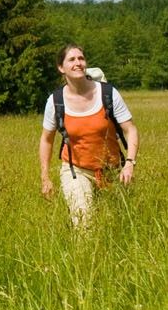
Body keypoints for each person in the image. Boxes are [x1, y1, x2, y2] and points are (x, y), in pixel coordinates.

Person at [38, 44, 139, 227]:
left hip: (112, 170)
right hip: (75, 170)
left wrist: (130, 164)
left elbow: (130, 129)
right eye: (72, 59)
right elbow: (46, 140)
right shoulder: (55, 101)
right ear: (61, 68)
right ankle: (82, 253)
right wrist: (45, 178)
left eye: (81, 58)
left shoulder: (108, 93)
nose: (78, 63)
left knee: (115, 225)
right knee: (84, 223)